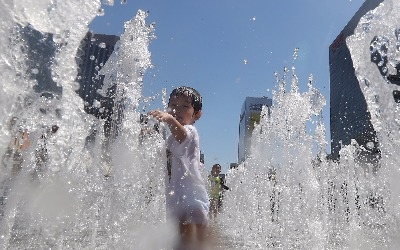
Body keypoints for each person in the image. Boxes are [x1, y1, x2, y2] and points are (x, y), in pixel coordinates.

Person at [149, 86, 209, 250]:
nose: (177, 110)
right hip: (177, 205)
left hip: (193, 205)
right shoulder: (170, 139)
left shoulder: (191, 131)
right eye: (173, 105)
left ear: (197, 114)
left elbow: (181, 134)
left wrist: (168, 118)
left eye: (184, 106)